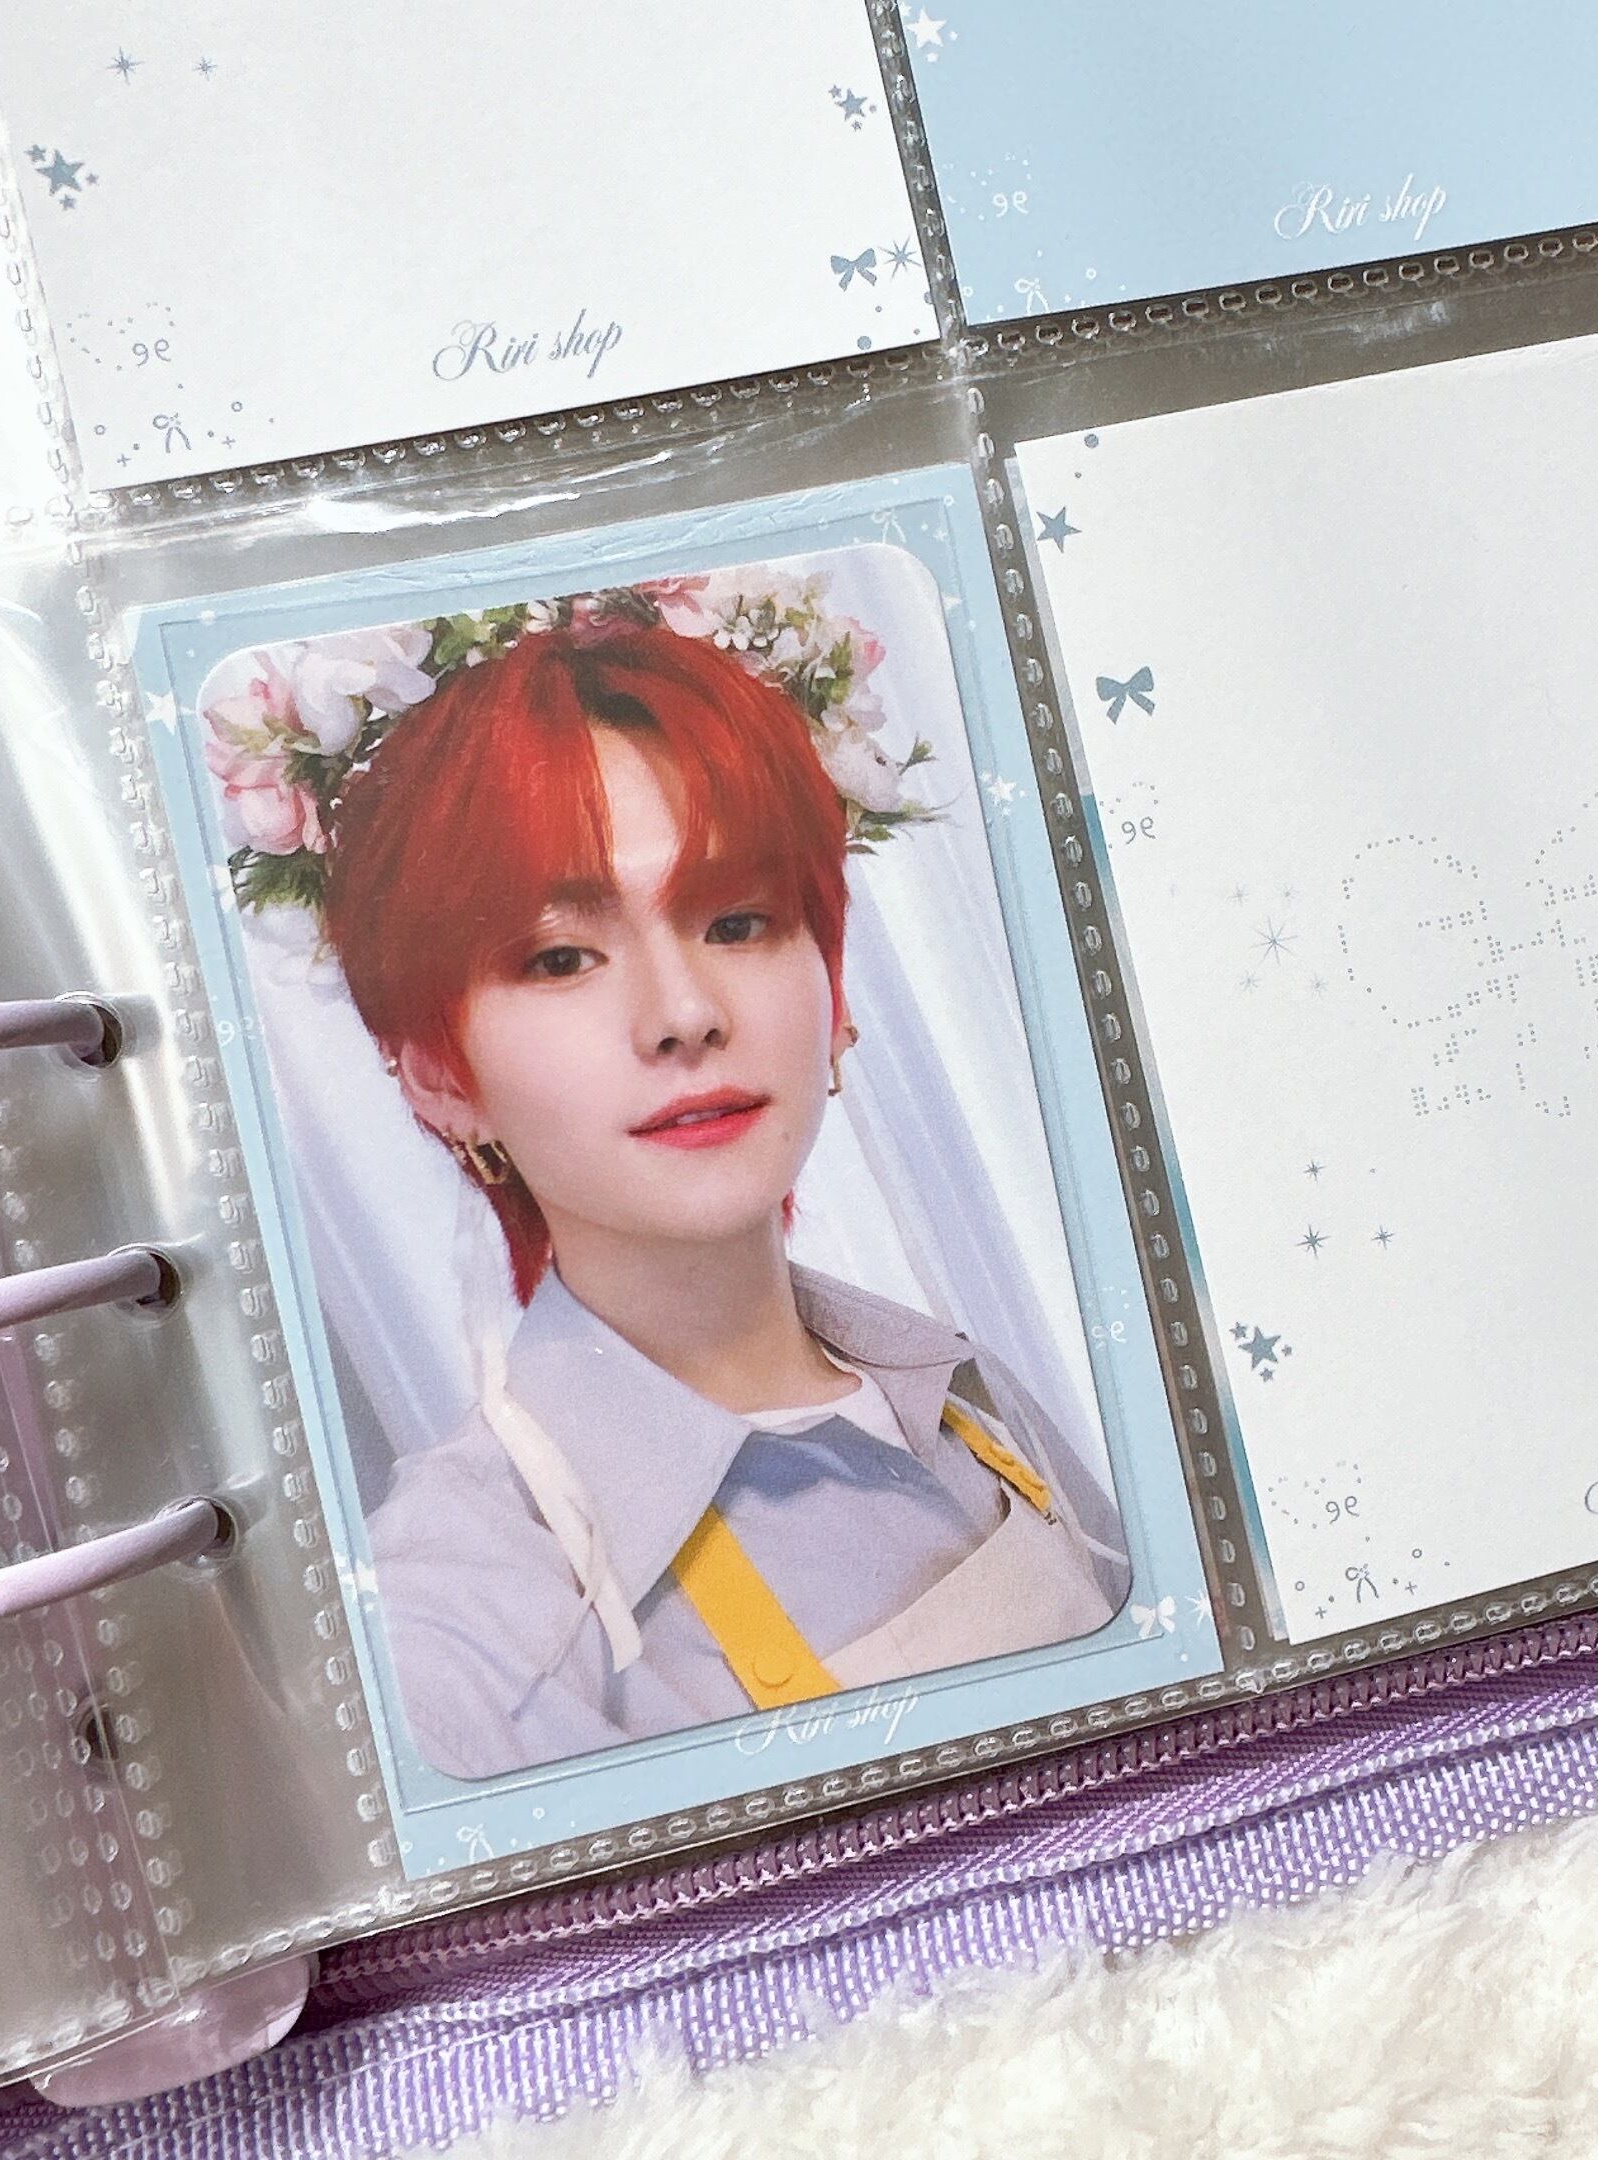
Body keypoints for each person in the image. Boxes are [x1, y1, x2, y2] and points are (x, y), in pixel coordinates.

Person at [322, 617, 1128, 1779]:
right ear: (441, 1076)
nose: (685, 1013)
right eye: (560, 957)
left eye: (738, 922)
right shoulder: (453, 1626)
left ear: (834, 994)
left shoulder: (965, 1393)